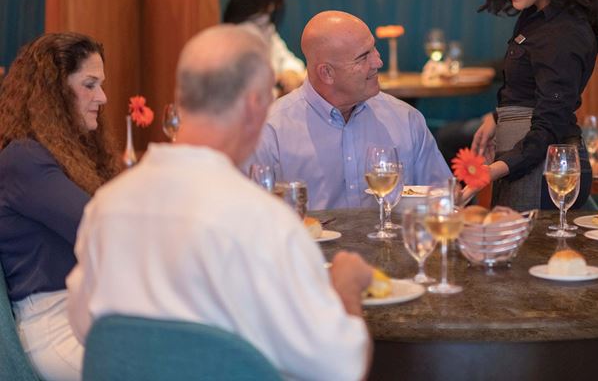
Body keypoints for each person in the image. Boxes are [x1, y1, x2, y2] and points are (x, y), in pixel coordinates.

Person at [66, 25, 373, 381]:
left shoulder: (108, 206)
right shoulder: (264, 222)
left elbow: (88, 327)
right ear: (255, 105)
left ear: (182, 98)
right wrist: (346, 288)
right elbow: (340, 366)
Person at [470, 0, 598, 211]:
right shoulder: (535, 17)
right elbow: (530, 91)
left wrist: (491, 171)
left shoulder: (565, 31)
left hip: (547, 166)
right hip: (524, 157)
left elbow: (551, 124)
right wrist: (497, 119)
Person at [0, 32, 121, 381]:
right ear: (53, 92)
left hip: (87, 315)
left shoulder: (66, 154)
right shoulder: (24, 160)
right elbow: (102, 229)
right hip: (55, 329)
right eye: (90, 85)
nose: (103, 97)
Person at [247, 10, 451, 210]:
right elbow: (250, 216)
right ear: (327, 73)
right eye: (363, 57)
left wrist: (453, 198)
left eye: (374, 49)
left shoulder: (405, 119)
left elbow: (442, 200)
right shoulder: (269, 131)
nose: (378, 62)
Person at [223, 0, 306, 94]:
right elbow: (255, 84)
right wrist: (281, 79)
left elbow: (287, 59)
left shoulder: (265, 26)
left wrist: (290, 72)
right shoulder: (242, 34)